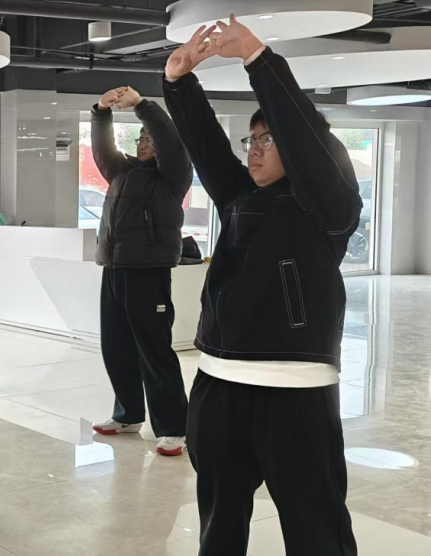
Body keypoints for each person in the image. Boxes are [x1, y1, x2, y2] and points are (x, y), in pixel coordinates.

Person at [162, 16, 361, 555]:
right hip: (218, 382)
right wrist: (178, 82)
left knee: (316, 529)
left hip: (294, 390)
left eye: (268, 139)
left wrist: (258, 59)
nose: (254, 149)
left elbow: (305, 140)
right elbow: (207, 148)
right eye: (251, 139)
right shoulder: (241, 199)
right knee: (218, 526)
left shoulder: (328, 207)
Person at [88, 85, 193, 457]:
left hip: (149, 270)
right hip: (114, 267)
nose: (144, 142)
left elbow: (171, 143)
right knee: (116, 347)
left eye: (150, 138)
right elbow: (102, 149)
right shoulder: (122, 171)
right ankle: (128, 414)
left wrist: (143, 107)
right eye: (140, 138)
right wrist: (101, 111)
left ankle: (174, 428)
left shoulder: (173, 176)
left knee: (154, 350)